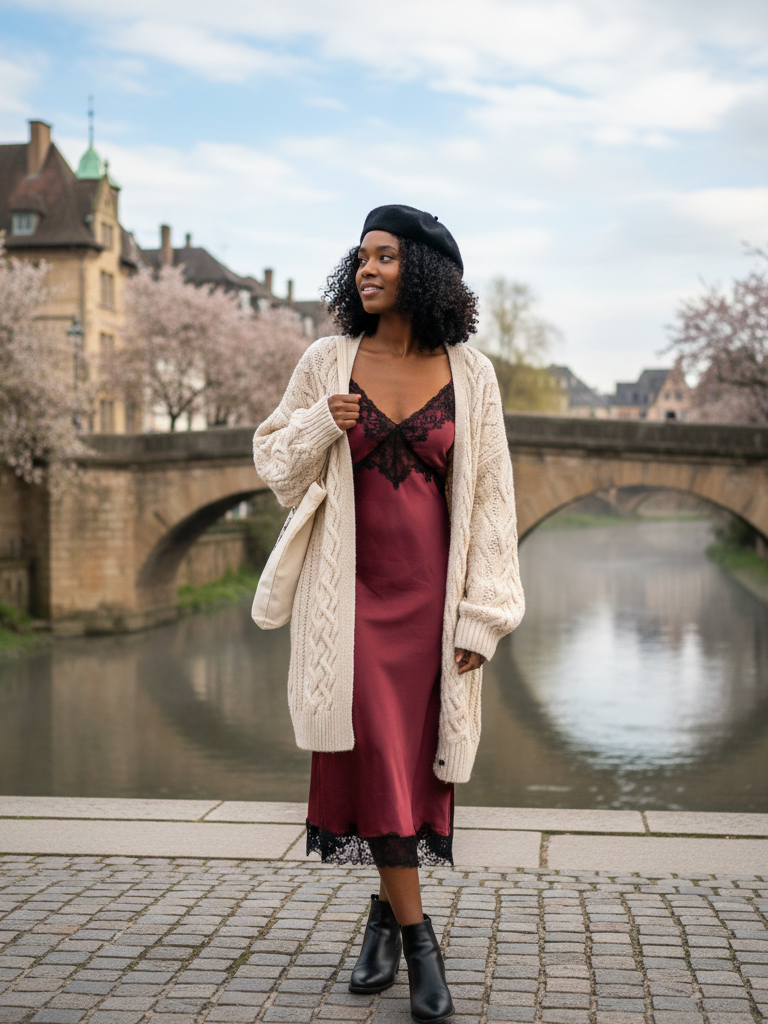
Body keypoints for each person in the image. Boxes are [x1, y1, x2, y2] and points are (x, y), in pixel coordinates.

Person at [253, 204, 524, 1023]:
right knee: (372, 752)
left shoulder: (472, 374)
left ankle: (380, 916)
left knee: (405, 768)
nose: (367, 269)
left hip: (432, 607)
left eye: (386, 257)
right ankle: (418, 942)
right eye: (361, 257)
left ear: (426, 272)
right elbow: (272, 460)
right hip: (350, 600)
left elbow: (491, 506)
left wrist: (483, 617)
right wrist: (314, 426)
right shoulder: (327, 360)